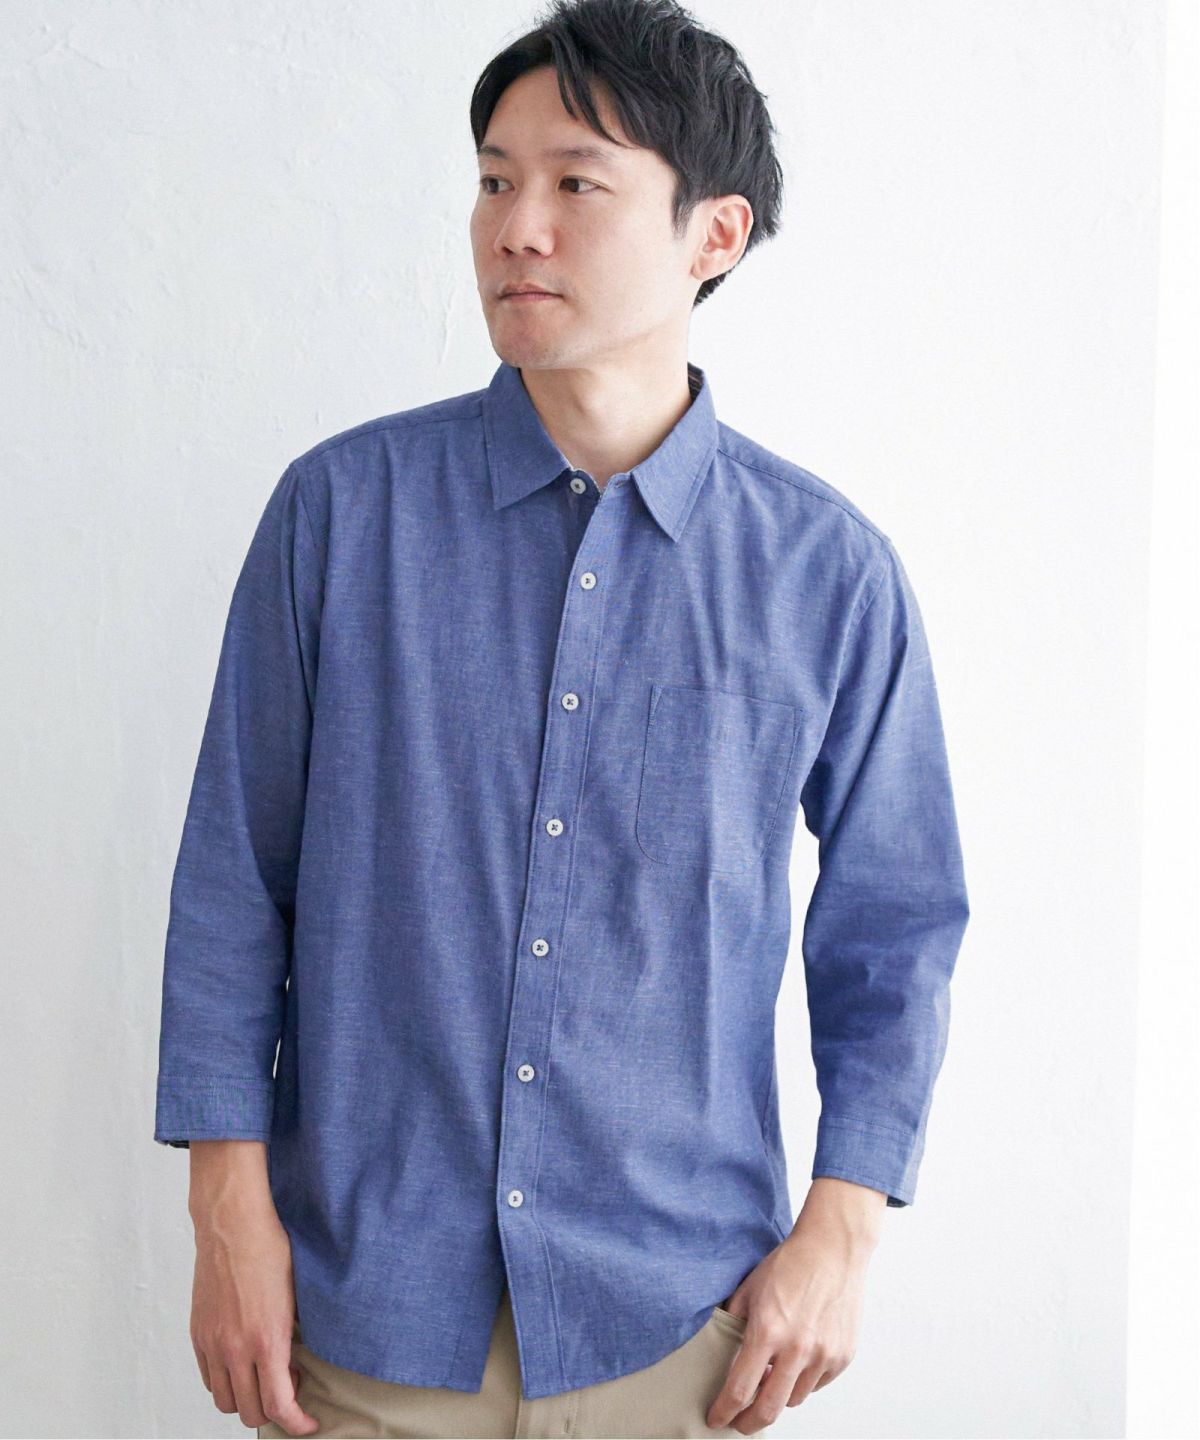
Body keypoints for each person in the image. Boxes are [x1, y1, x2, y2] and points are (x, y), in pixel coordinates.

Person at [153, 1, 971, 1436]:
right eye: (493, 180)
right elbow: (235, 880)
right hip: (361, 1313)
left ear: (714, 234)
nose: (515, 229)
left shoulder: (825, 572)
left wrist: (841, 1234)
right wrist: (228, 1219)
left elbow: (894, 924)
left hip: (679, 1326)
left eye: (576, 184)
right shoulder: (339, 517)